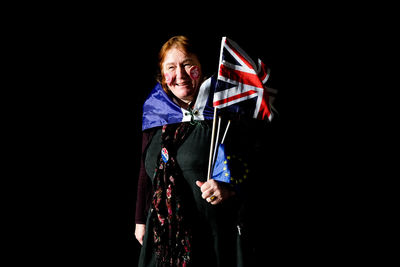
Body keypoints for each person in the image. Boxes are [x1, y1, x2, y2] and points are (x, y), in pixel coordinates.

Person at [134, 35, 273, 267]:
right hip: (162, 236)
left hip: (212, 236)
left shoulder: (225, 113)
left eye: (188, 64)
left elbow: (255, 163)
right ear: (162, 75)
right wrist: (140, 220)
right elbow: (144, 172)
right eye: (171, 67)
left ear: (201, 67)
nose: (180, 75)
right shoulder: (155, 112)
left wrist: (229, 187)